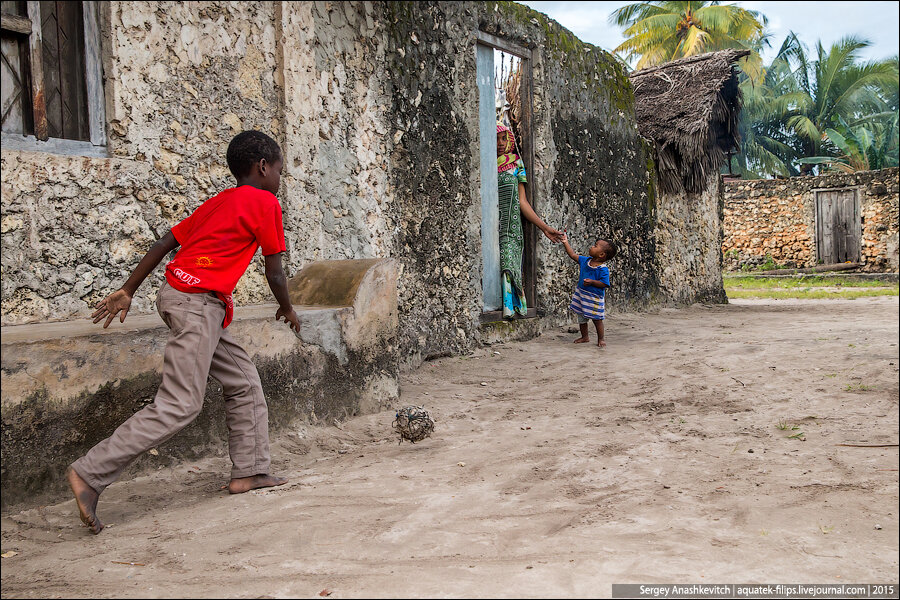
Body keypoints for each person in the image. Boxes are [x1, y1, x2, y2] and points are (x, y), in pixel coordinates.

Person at [67, 130, 299, 534]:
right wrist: (287, 306)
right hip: (196, 303)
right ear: (263, 167)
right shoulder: (265, 202)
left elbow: (164, 243)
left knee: (243, 381)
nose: (279, 177)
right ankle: (90, 472)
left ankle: (251, 471)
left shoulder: (219, 201)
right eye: (279, 169)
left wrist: (128, 289)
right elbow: (275, 270)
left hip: (187, 298)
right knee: (180, 404)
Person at [496, 123, 563, 319]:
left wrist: (544, 227)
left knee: (507, 260)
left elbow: (522, 201)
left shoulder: (516, 164)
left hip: (510, 225)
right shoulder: (486, 163)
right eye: (496, 138)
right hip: (491, 225)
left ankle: (510, 309)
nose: (500, 143)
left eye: (503, 138)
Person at [560, 233, 618, 347]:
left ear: (601, 254)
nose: (591, 247)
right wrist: (565, 241)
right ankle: (585, 337)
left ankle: (601, 339)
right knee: (582, 318)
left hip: (594, 298)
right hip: (582, 295)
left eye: (595, 246)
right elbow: (572, 254)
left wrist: (592, 282)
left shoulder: (603, 269)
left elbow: (605, 284)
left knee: (597, 319)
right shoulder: (585, 261)